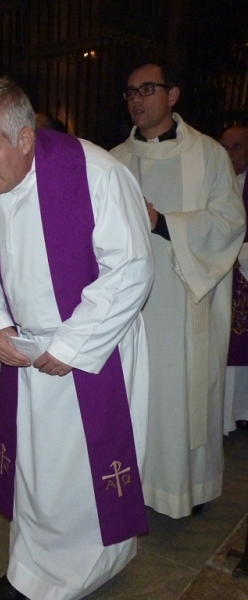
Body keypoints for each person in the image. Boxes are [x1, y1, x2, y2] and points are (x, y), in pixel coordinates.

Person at [0, 77, 154, 600]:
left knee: (82, 473)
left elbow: (131, 268)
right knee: (36, 471)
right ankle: (35, 565)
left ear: (24, 138)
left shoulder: (95, 173)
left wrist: (69, 348)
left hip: (93, 349)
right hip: (26, 349)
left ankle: (79, 572)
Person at [111, 63, 245, 518]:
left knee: (182, 395)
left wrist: (162, 223)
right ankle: (132, 483)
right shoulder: (113, 161)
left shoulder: (208, 155)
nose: (137, 99)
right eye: (130, 91)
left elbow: (230, 223)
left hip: (186, 303)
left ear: (173, 95)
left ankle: (187, 488)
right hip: (129, 310)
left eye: (147, 89)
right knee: (135, 396)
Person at [220, 125, 248, 433]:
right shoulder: (214, 178)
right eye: (225, 147)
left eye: (237, 147)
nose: (229, 154)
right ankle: (224, 416)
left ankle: (243, 410)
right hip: (222, 276)